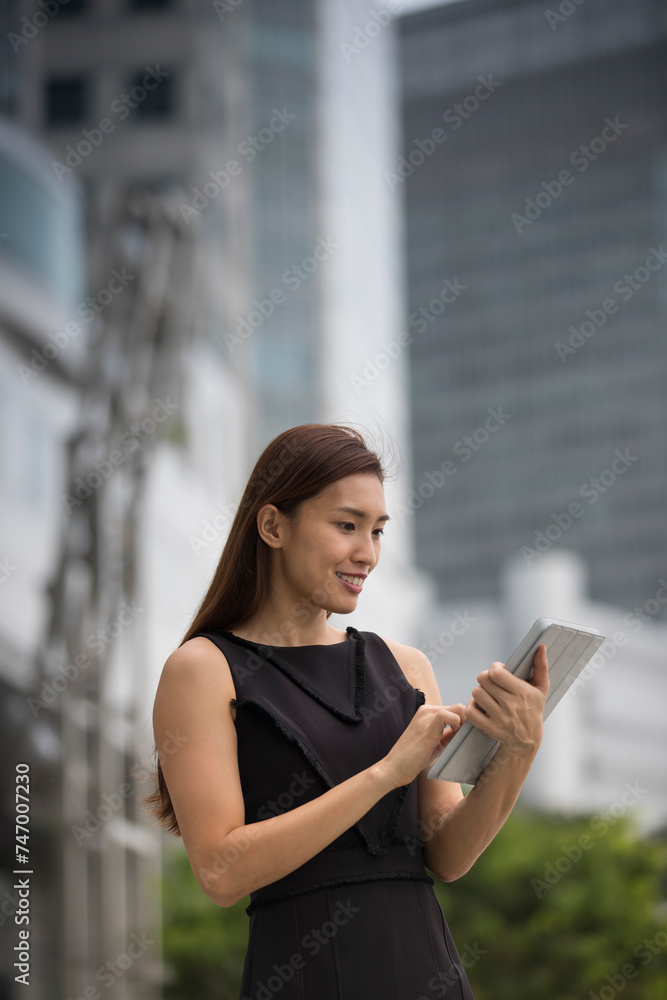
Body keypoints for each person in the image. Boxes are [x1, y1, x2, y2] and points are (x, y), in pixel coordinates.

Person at [146, 423, 548, 1000]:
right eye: (346, 526)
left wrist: (518, 750)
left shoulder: (406, 668)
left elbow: (449, 856)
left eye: (378, 531)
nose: (368, 553)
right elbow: (221, 871)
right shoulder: (203, 669)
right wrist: (386, 773)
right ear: (272, 525)